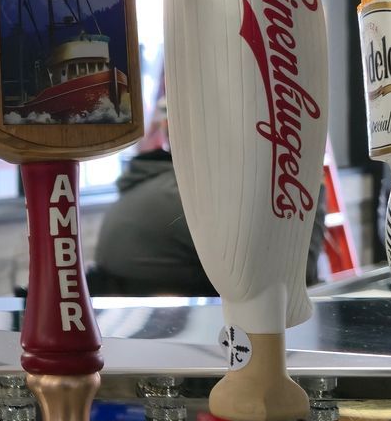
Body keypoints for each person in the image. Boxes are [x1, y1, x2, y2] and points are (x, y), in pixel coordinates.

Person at [87, 88, 324, 297]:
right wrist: (308, 185)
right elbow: (295, 279)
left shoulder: (144, 187)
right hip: (201, 336)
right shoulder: (188, 199)